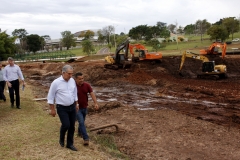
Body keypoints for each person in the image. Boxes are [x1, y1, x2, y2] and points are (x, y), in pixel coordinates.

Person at [47, 65, 79, 151]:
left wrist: (76, 104)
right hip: (62, 108)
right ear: (63, 73)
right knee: (66, 125)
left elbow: (75, 93)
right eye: (69, 74)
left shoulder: (72, 81)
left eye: (71, 74)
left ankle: (70, 144)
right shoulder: (56, 83)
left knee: (72, 126)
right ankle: (61, 138)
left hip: (72, 107)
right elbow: (50, 96)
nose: (70, 76)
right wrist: (52, 109)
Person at [74, 72, 99, 146]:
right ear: (76, 79)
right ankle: (86, 138)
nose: (82, 80)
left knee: (82, 121)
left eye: (82, 78)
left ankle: (79, 133)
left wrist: (95, 103)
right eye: (79, 79)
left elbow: (92, 94)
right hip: (77, 108)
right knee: (81, 122)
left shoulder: (87, 85)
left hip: (85, 107)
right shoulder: (73, 86)